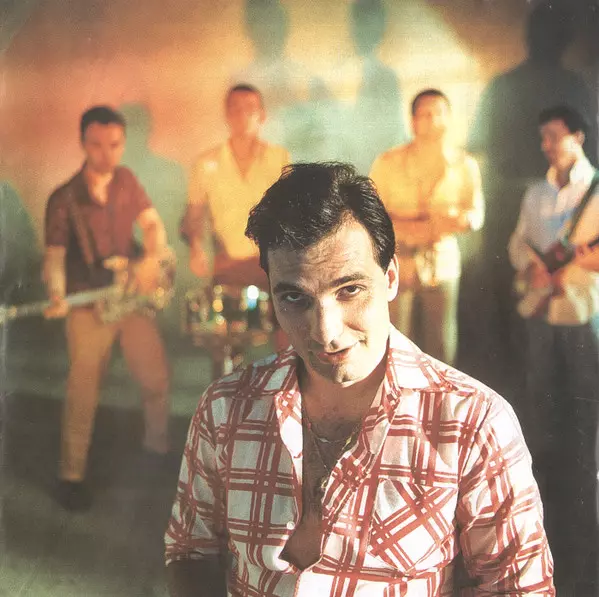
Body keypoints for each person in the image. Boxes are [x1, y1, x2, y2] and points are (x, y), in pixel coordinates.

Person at [165, 162, 553, 596]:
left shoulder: (474, 423)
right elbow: (190, 550)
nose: (325, 332)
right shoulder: (225, 408)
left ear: (391, 279)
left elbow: (519, 587)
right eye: (295, 297)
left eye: (349, 290)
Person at [43, 105, 170, 511]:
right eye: (97, 145)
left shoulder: (127, 180)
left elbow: (152, 225)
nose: (106, 154)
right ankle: (71, 476)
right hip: (88, 303)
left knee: (155, 375)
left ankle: (158, 452)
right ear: (83, 143)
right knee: (83, 388)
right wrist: (57, 293)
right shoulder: (63, 198)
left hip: (128, 297)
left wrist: (151, 258)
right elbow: (54, 258)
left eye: (114, 145)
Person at [508, 104, 599, 595]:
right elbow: (518, 243)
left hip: (585, 308)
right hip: (540, 306)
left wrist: (578, 265)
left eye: (556, 136)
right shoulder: (536, 193)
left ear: (578, 137)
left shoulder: (595, 190)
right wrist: (534, 267)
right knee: (540, 393)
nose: (548, 145)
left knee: (585, 401)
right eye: (543, 137)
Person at [370, 89, 483, 365]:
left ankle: (440, 391)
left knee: (441, 343)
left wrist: (458, 219)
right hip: (398, 261)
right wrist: (411, 225)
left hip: (441, 261)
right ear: (413, 122)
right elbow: (369, 213)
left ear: (450, 119)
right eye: (426, 114)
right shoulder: (388, 162)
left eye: (440, 114)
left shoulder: (464, 165)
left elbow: (476, 213)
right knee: (395, 342)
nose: (433, 121)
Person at [181, 83, 289, 288]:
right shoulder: (206, 163)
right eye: (235, 109)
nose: (242, 115)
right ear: (227, 116)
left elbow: (291, 212)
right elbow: (193, 214)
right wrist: (196, 248)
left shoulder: (279, 159)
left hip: (270, 265)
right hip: (227, 267)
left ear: (262, 116)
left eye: (250, 108)